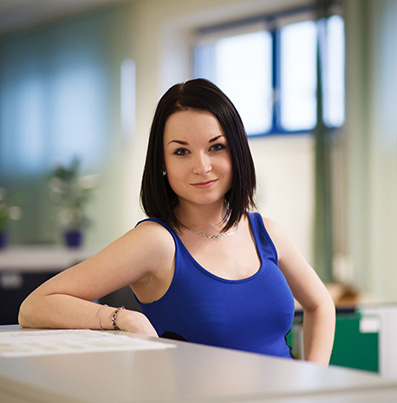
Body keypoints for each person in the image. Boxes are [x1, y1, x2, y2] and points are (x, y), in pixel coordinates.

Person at [18, 78, 335, 364]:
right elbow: (35, 305)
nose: (203, 166)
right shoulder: (157, 242)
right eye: (182, 152)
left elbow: (321, 305)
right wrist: (120, 318)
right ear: (163, 163)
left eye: (216, 147)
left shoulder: (266, 232)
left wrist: (313, 382)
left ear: (237, 152)